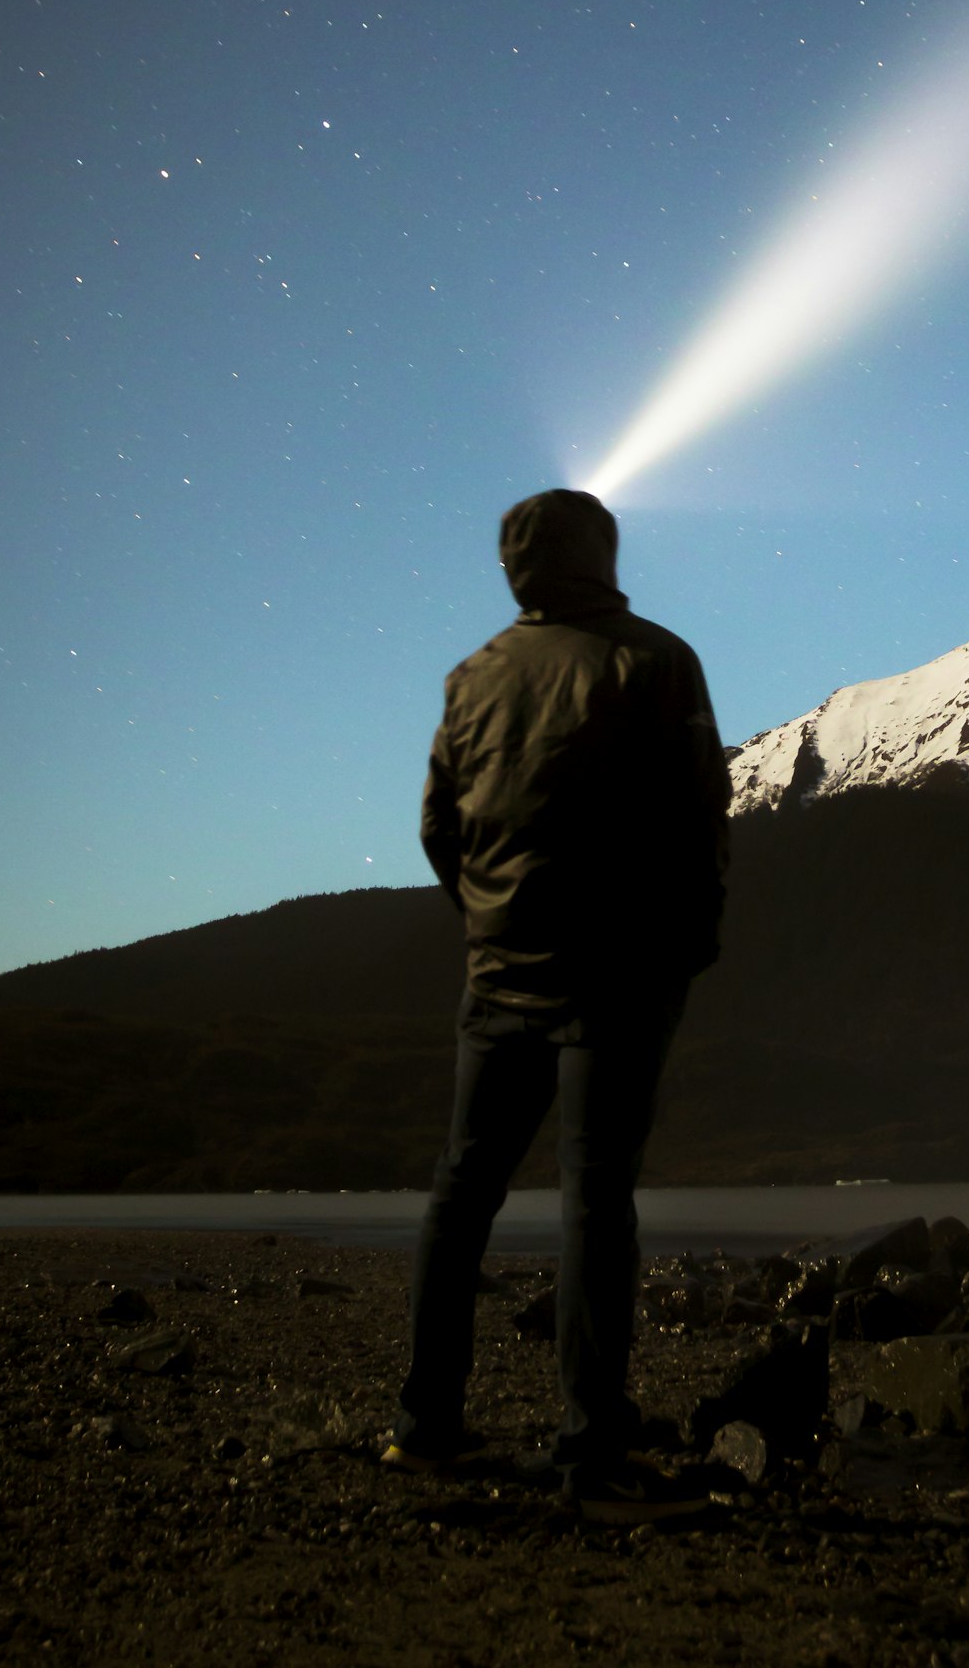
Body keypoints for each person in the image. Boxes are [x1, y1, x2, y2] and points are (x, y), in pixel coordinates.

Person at [384, 488, 731, 1523]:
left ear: (514, 565)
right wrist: (689, 945)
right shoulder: (655, 659)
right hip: (617, 977)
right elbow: (697, 817)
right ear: (601, 552)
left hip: (498, 976)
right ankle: (591, 1454)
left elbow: (439, 826)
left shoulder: (473, 675)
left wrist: (488, 918)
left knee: (462, 1192)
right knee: (595, 1200)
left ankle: (427, 1428)